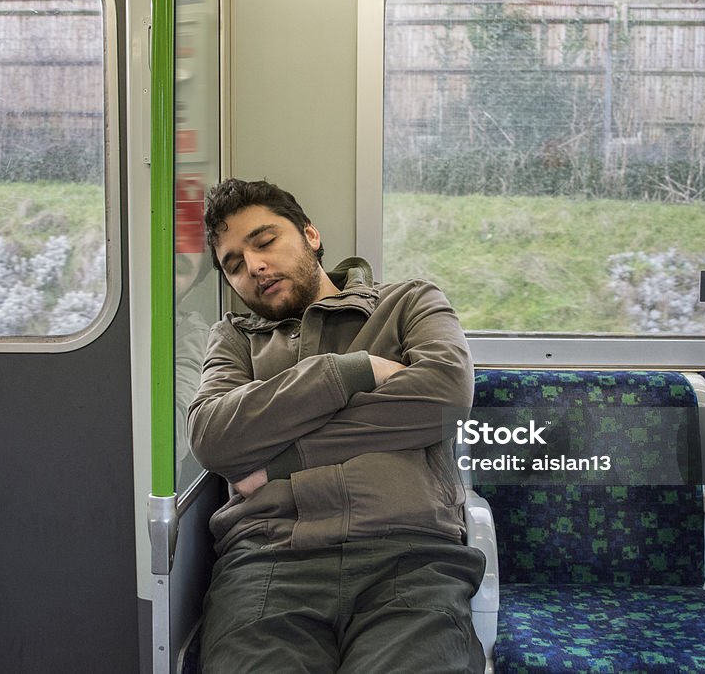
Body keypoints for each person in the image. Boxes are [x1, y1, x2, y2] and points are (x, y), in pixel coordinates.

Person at [187, 178, 485, 673]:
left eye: (265, 242)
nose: (254, 267)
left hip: (410, 554)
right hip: (268, 561)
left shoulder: (408, 302)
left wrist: (281, 457)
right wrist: (351, 371)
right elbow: (213, 439)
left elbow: (445, 397)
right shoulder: (236, 338)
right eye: (234, 265)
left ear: (311, 235)